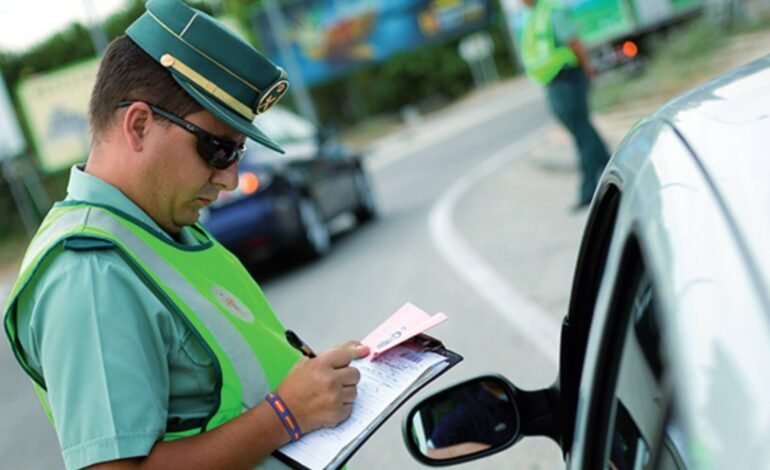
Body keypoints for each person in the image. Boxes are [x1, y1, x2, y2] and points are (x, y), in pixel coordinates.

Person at [2, 1, 369, 468]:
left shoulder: (166, 231)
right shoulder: (88, 270)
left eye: (239, 152)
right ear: (138, 125)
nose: (230, 179)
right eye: (218, 149)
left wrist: (312, 381)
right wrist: (286, 415)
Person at [519, 0, 611, 210]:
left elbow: (573, 41)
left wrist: (587, 66)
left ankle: (589, 191)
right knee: (583, 131)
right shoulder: (533, 15)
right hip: (553, 82)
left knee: (582, 133)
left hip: (567, 78)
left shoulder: (551, 11)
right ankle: (612, 169)